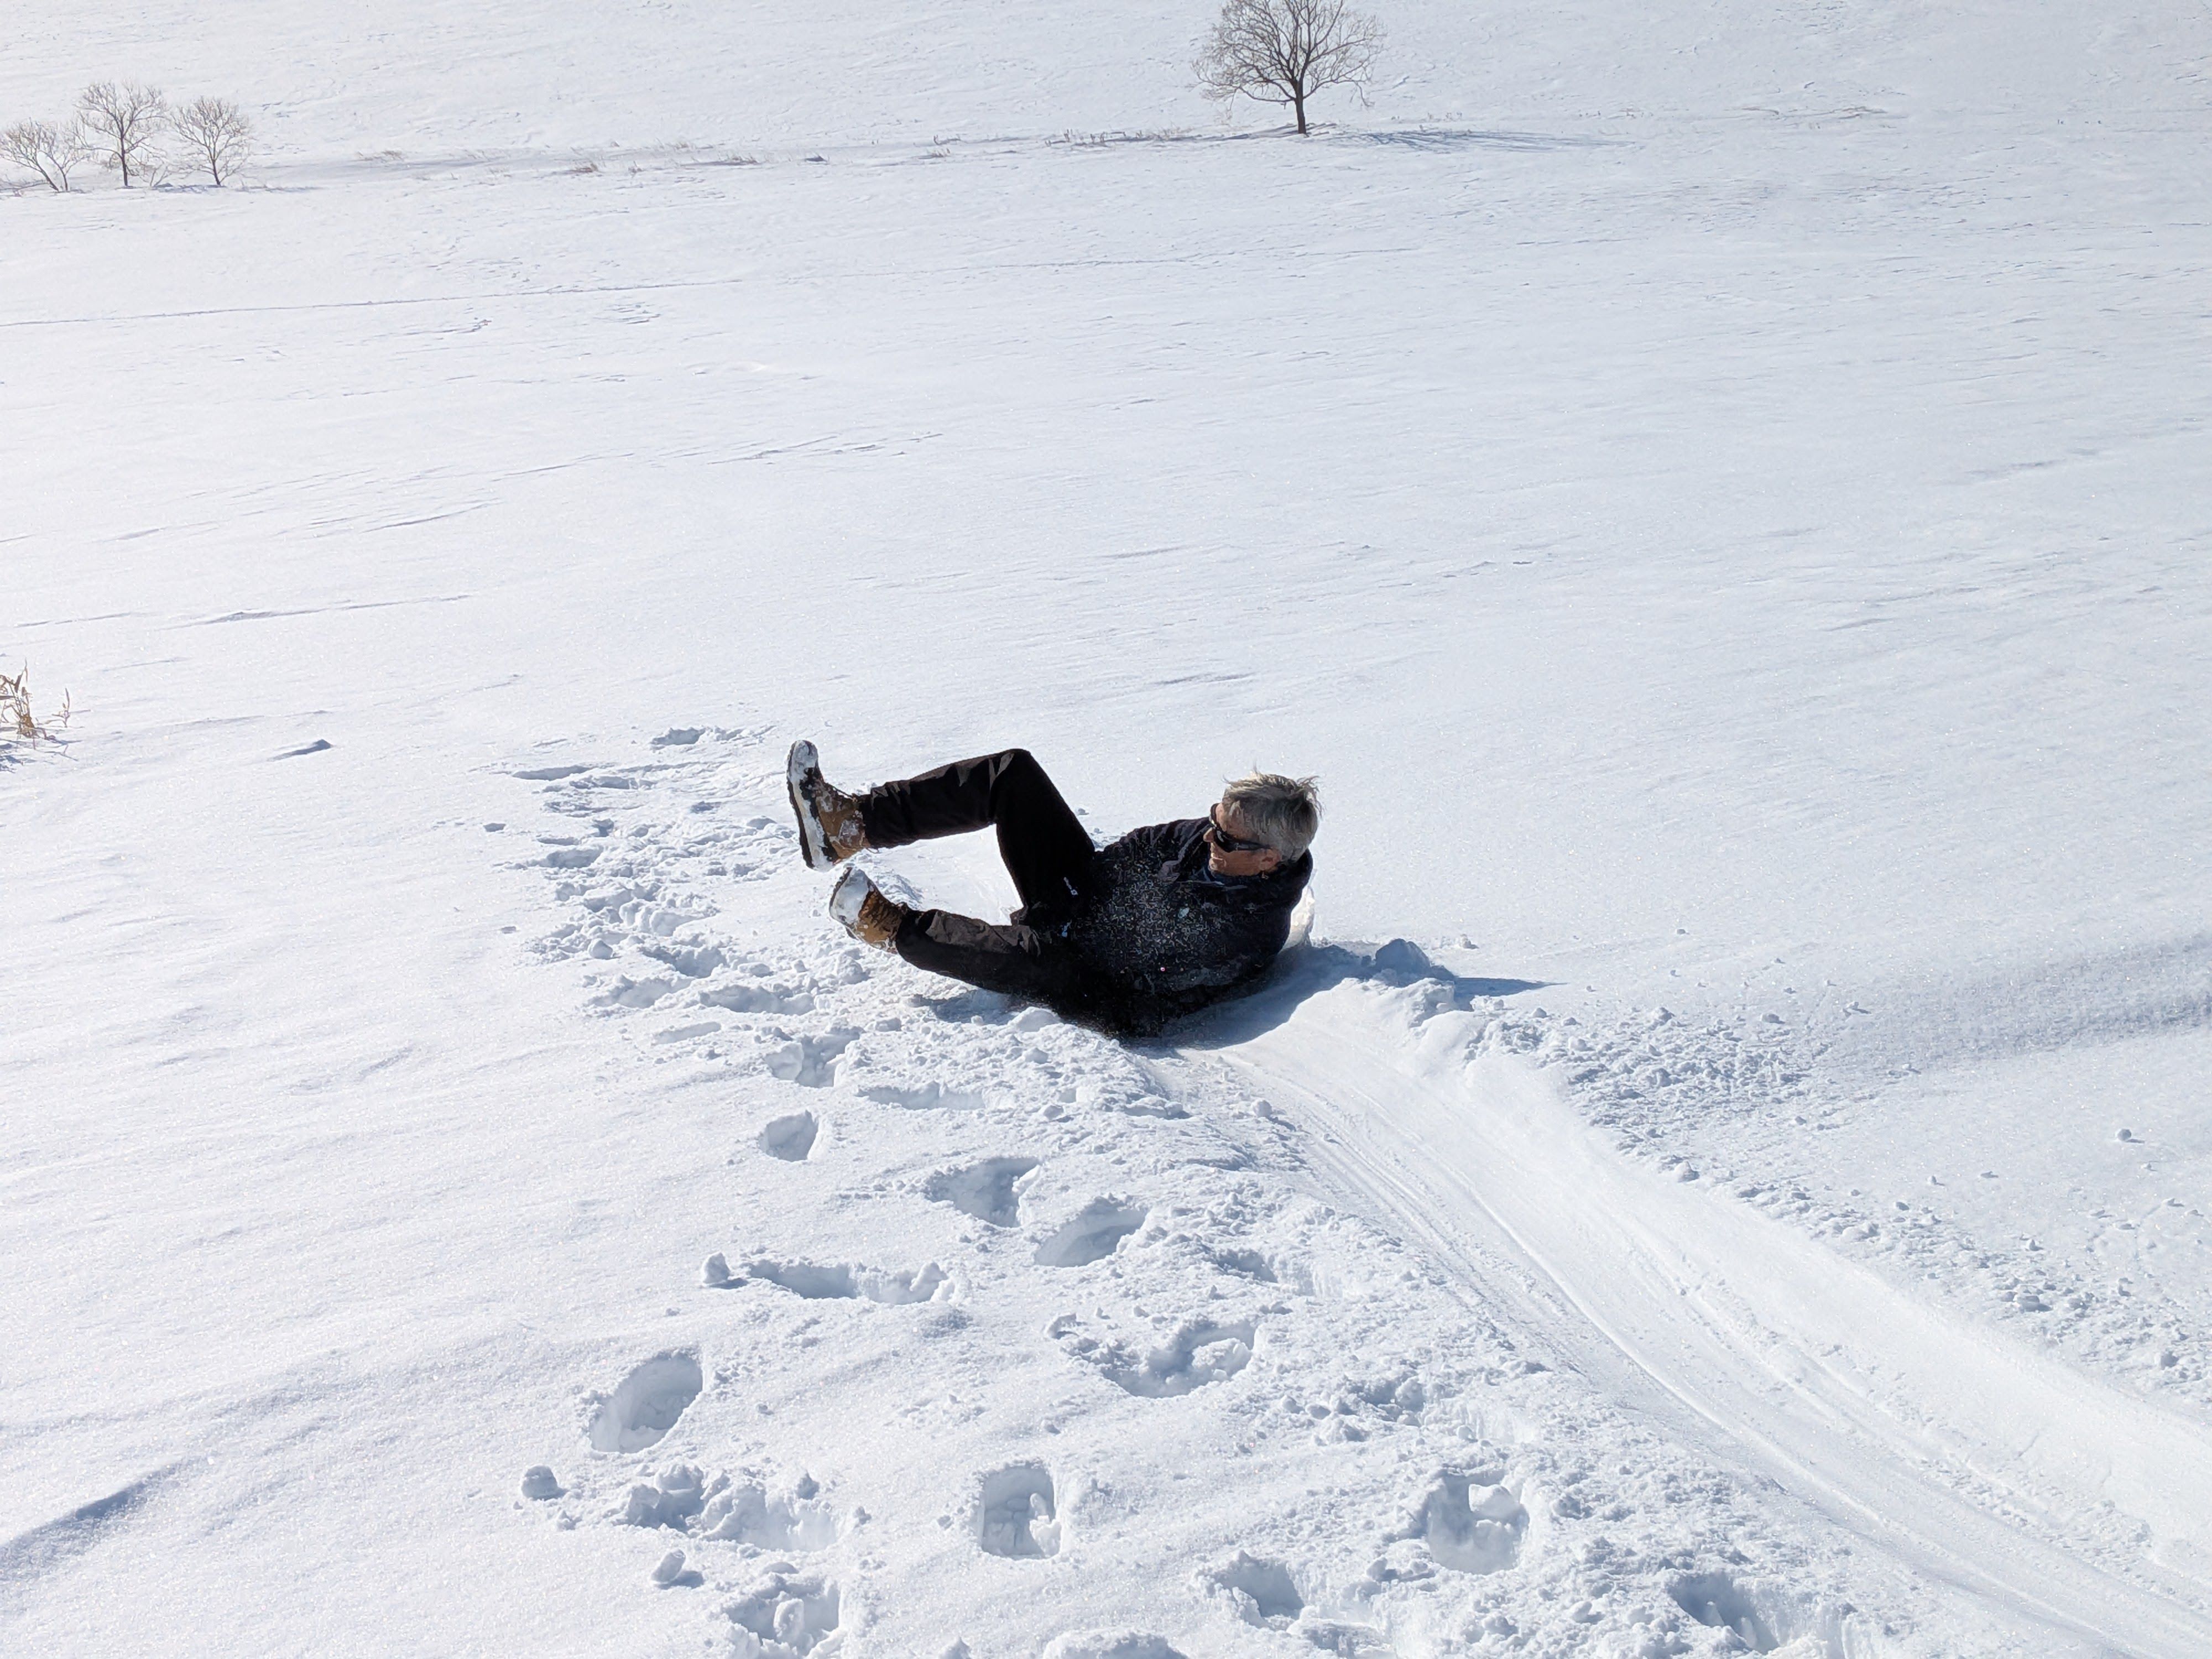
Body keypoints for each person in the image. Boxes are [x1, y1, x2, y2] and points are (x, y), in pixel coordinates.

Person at [786, 743, 1318, 1036]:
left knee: (1046, 963)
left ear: (1268, 859)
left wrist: (1071, 926)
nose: (1208, 835)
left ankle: (892, 928)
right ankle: (850, 825)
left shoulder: (1247, 931)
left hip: (1101, 985)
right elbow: (1139, 847)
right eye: (1212, 819)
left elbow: (1143, 974)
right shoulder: (1209, 842)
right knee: (1013, 775)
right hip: (1087, 907)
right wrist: (1077, 890)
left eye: (1225, 836)